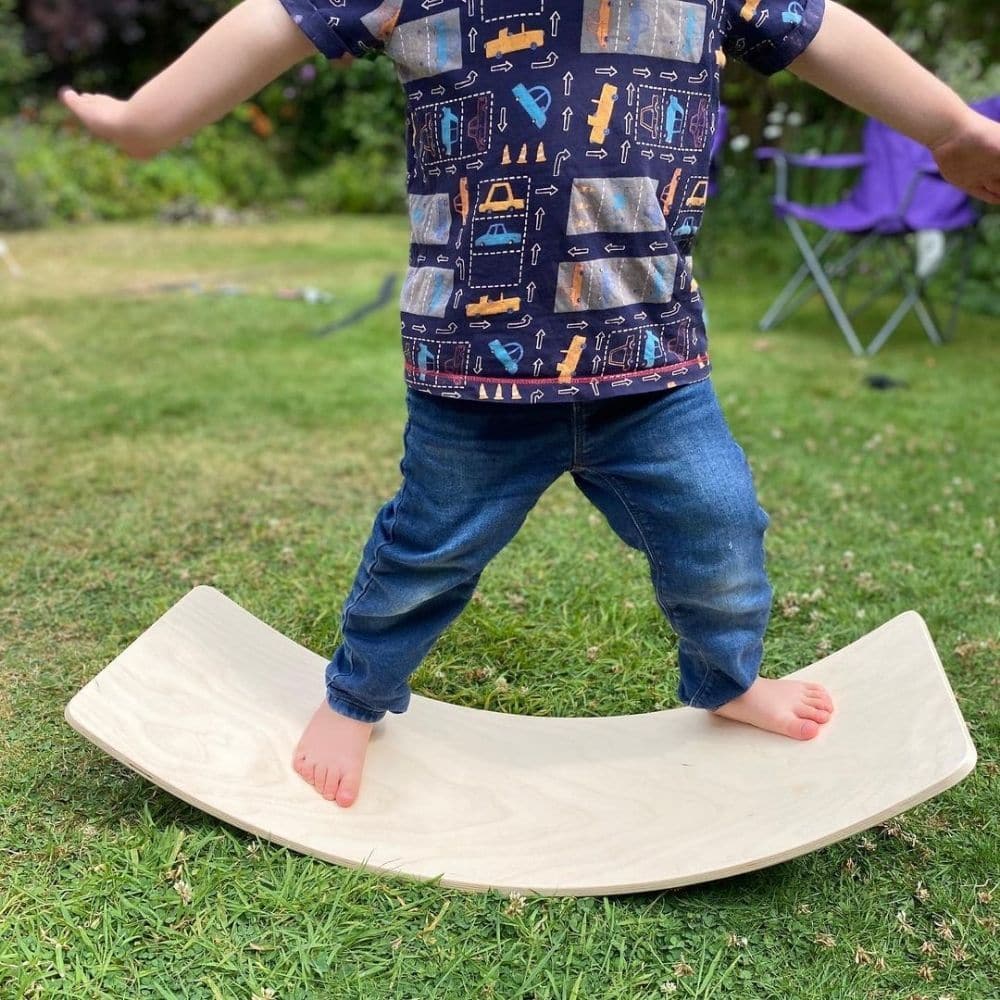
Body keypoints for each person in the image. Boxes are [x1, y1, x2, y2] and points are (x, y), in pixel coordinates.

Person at [61, 0, 1000, 809]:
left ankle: (725, 679)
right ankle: (356, 699)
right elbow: (279, 21)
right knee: (425, 552)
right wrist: (148, 121)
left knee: (722, 532)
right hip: (476, 377)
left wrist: (950, 126)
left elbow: (826, 30)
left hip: (652, 368)